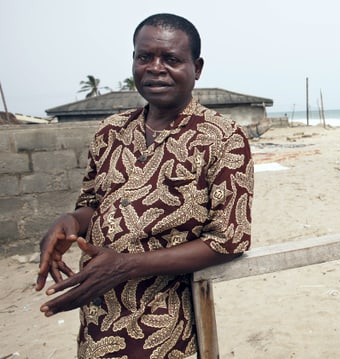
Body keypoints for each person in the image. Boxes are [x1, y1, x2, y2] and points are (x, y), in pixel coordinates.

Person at [35, 13, 253, 358]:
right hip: (96, 312)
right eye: (144, 57)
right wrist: (70, 222)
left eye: (171, 59)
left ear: (196, 68)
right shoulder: (111, 130)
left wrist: (126, 264)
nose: (155, 67)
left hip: (161, 324)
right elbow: (93, 203)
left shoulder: (223, 137)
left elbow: (229, 240)